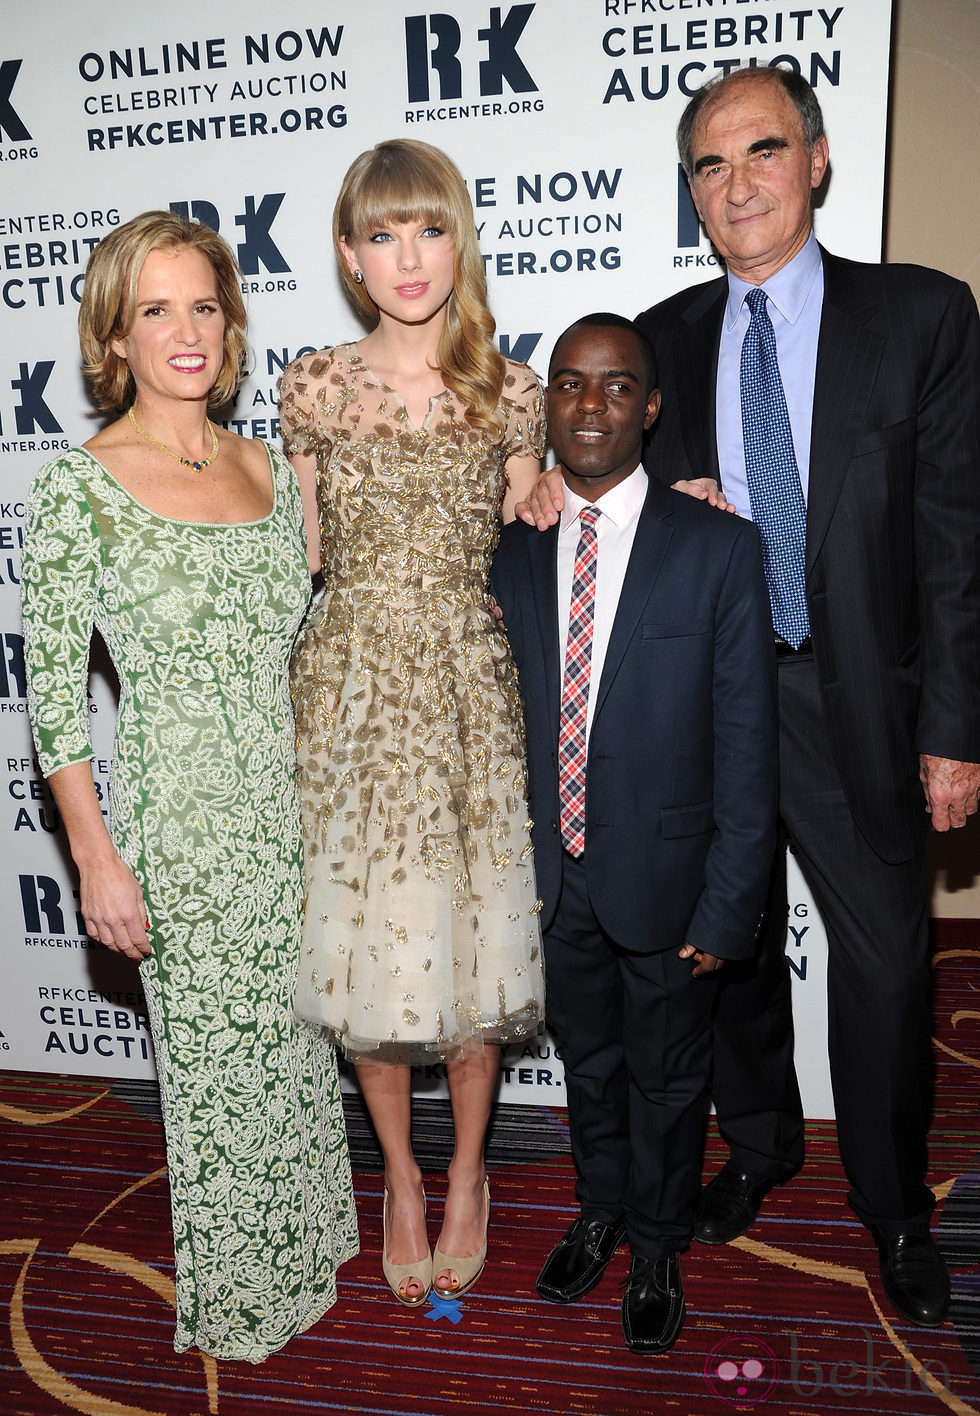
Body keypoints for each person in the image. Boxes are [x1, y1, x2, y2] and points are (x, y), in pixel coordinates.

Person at [522, 68, 980, 1330]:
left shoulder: (922, 317)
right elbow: (581, 467)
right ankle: (762, 1146)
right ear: (691, 193)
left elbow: (954, 539)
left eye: (761, 152)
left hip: (860, 712)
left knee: (886, 963)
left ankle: (890, 1205)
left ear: (815, 162)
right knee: (716, 955)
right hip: (701, 712)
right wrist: (530, 479)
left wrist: (953, 727)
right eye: (709, 167)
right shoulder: (656, 342)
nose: (737, 184)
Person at [20, 212, 358, 1362]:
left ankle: (310, 1244)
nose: (185, 330)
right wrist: (96, 858)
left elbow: (302, 624)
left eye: (204, 305)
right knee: (219, 1075)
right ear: (113, 333)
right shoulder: (80, 490)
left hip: (293, 811)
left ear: (232, 321)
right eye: (155, 308)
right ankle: (244, 1295)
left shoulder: (264, 462)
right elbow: (54, 702)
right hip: (184, 823)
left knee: (297, 1051)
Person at [278, 139, 546, 1308]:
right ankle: (395, 1175)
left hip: (463, 691)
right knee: (368, 958)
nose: (406, 257)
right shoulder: (314, 385)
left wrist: (670, 492)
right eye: (381, 234)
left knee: (474, 953)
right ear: (348, 254)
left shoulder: (511, 389)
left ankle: (472, 1172)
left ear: (457, 241)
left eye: (427, 229)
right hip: (345, 692)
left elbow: (554, 524)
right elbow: (298, 561)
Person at [492, 313, 777, 1353]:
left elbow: (747, 743)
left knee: (667, 1074)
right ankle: (600, 1206)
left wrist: (728, 901)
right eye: (569, 384)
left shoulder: (717, 546)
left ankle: (656, 1241)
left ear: (650, 408)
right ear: (547, 404)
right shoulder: (512, 548)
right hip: (553, 878)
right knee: (591, 1067)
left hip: (671, 882)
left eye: (616, 387)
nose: (590, 405)